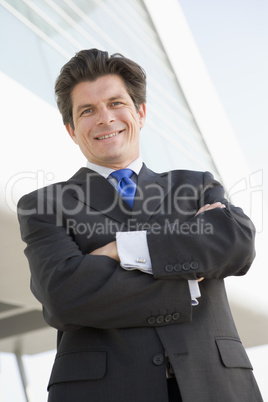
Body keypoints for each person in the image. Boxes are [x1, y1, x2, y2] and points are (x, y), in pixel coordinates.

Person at [17, 49, 263, 402]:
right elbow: (64, 298)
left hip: (216, 384)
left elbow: (236, 245)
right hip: (104, 391)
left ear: (140, 113)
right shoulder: (44, 205)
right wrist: (186, 280)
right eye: (87, 110)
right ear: (71, 130)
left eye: (116, 103)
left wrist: (122, 250)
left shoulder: (195, 185)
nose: (105, 118)